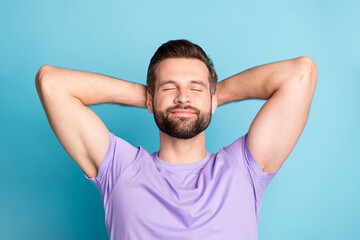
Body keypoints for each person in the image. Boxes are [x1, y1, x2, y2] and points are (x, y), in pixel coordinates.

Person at [35, 39, 317, 240]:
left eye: (195, 88)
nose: (183, 97)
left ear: (213, 97)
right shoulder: (119, 169)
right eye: (170, 88)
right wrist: (154, 97)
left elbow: (301, 73)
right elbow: (51, 83)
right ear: (150, 98)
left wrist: (208, 98)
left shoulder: (245, 168)